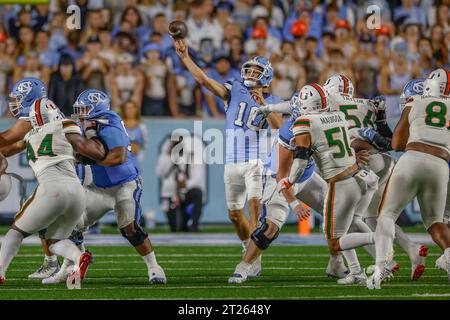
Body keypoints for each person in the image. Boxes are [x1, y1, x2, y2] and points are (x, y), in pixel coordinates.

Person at [173, 38, 283, 277]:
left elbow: (279, 128)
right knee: (234, 215)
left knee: (255, 209)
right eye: (250, 69)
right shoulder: (233, 90)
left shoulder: (274, 101)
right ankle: (248, 247)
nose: (252, 73)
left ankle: (253, 262)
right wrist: (185, 57)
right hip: (232, 161)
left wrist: (264, 105)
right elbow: (203, 80)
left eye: (257, 71)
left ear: (266, 77)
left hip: (257, 161)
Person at [229, 92, 349, 284]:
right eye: (316, 108)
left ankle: (336, 262)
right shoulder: (290, 132)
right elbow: (282, 175)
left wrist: (268, 107)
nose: (321, 112)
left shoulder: (317, 117)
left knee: (335, 214)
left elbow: (286, 105)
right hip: (279, 180)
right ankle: (243, 267)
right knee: (270, 228)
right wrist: (295, 204)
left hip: (307, 176)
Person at [324, 74, 428, 281]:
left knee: (348, 222)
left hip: (359, 161)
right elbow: (388, 140)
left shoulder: (327, 104)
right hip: (382, 161)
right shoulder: (367, 103)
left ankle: (384, 262)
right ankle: (411, 249)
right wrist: (380, 116)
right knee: (374, 218)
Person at [0, 97, 106, 288]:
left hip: (51, 188)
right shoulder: (67, 125)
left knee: (16, 232)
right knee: (55, 240)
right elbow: (86, 153)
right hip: (76, 192)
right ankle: (79, 256)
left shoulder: (30, 135)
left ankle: (0, 270)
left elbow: (9, 149)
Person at [64, 89, 166, 285]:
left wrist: (87, 160)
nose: (81, 112)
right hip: (99, 187)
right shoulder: (88, 124)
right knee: (72, 223)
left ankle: (154, 266)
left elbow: (117, 157)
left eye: (85, 108)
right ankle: (76, 263)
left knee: (130, 229)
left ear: (97, 108)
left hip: (124, 184)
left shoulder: (109, 120)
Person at [281, 84, 379, 284]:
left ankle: (378, 237)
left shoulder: (304, 122)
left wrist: (289, 181)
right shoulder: (338, 116)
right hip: (360, 176)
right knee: (340, 230)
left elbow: (299, 163)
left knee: (334, 242)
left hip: (341, 183)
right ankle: (356, 272)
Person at [367, 68, 450, 289]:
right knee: (435, 222)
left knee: (386, 215)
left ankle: (380, 267)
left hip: (412, 158)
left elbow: (396, 144)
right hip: (441, 165)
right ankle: (449, 256)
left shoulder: (415, 100)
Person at [121, 100, 147, 170]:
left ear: (136, 110)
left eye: (132, 108)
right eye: (127, 108)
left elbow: (144, 143)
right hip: (122, 160)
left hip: (136, 160)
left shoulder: (141, 125)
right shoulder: (120, 124)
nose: (130, 111)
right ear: (124, 110)